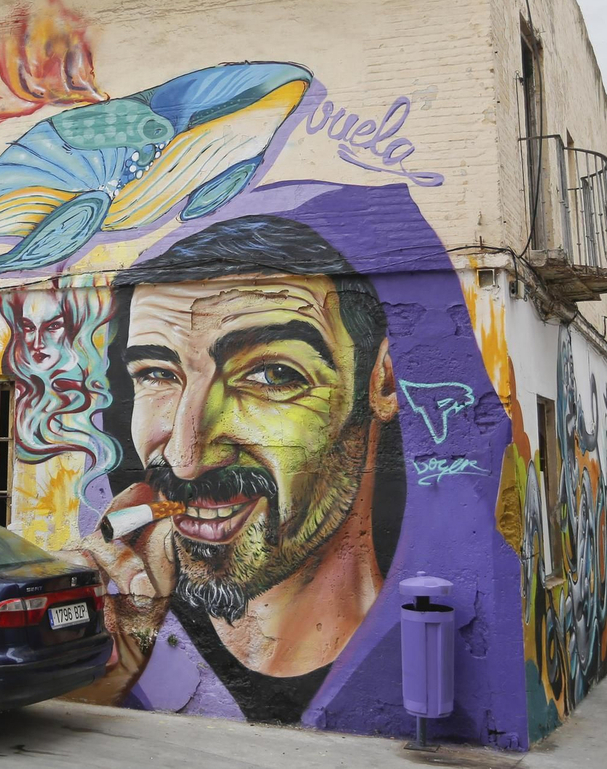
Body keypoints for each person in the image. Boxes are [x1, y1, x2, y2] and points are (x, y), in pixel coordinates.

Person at [75, 214, 403, 723]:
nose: (185, 457)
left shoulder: (404, 664)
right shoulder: (140, 603)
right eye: (158, 373)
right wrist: (126, 642)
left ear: (381, 382)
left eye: (272, 374)